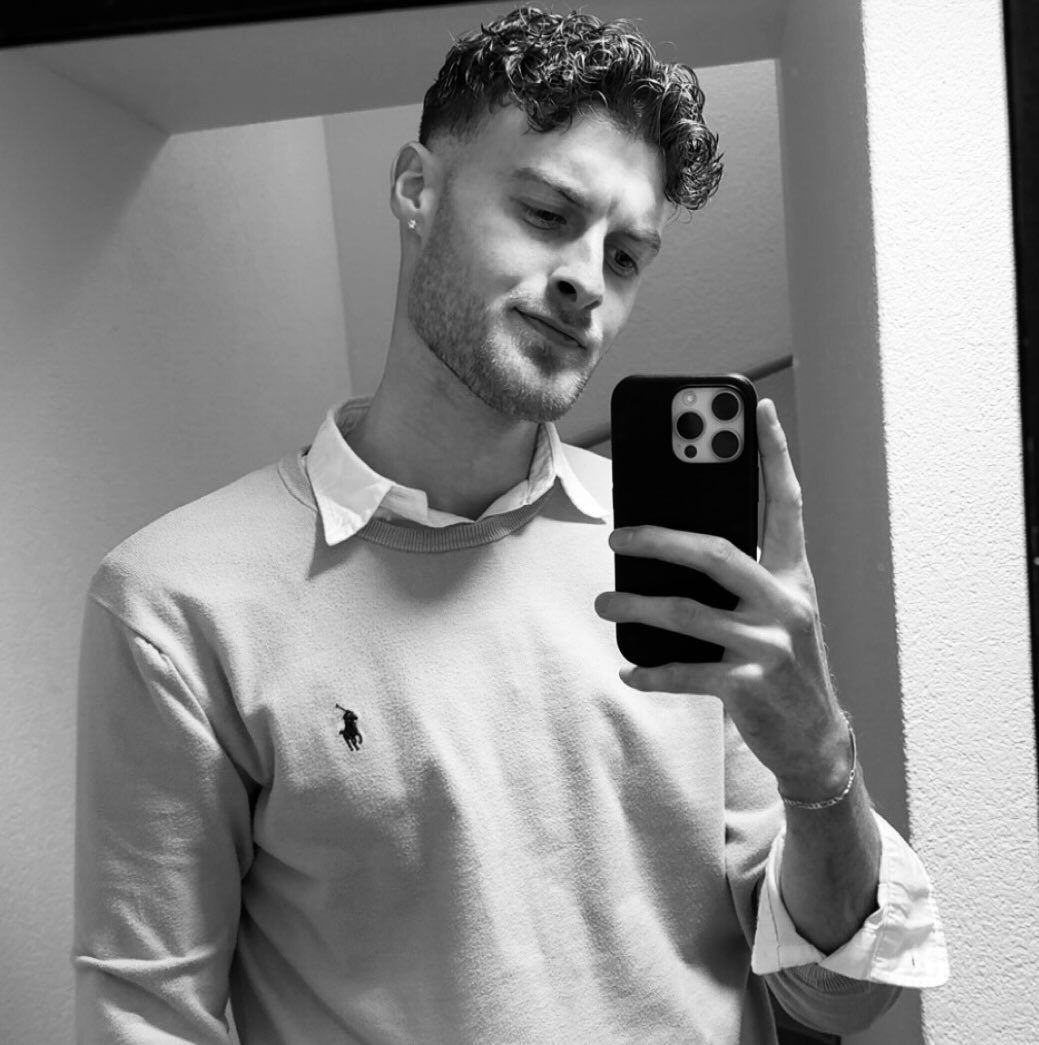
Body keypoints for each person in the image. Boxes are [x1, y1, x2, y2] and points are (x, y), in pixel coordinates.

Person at [73, 6, 948, 1043]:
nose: (585, 280)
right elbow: (146, 1018)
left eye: (626, 257)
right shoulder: (179, 601)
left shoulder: (685, 568)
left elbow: (841, 995)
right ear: (416, 190)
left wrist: (818, 764)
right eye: (543, 212)